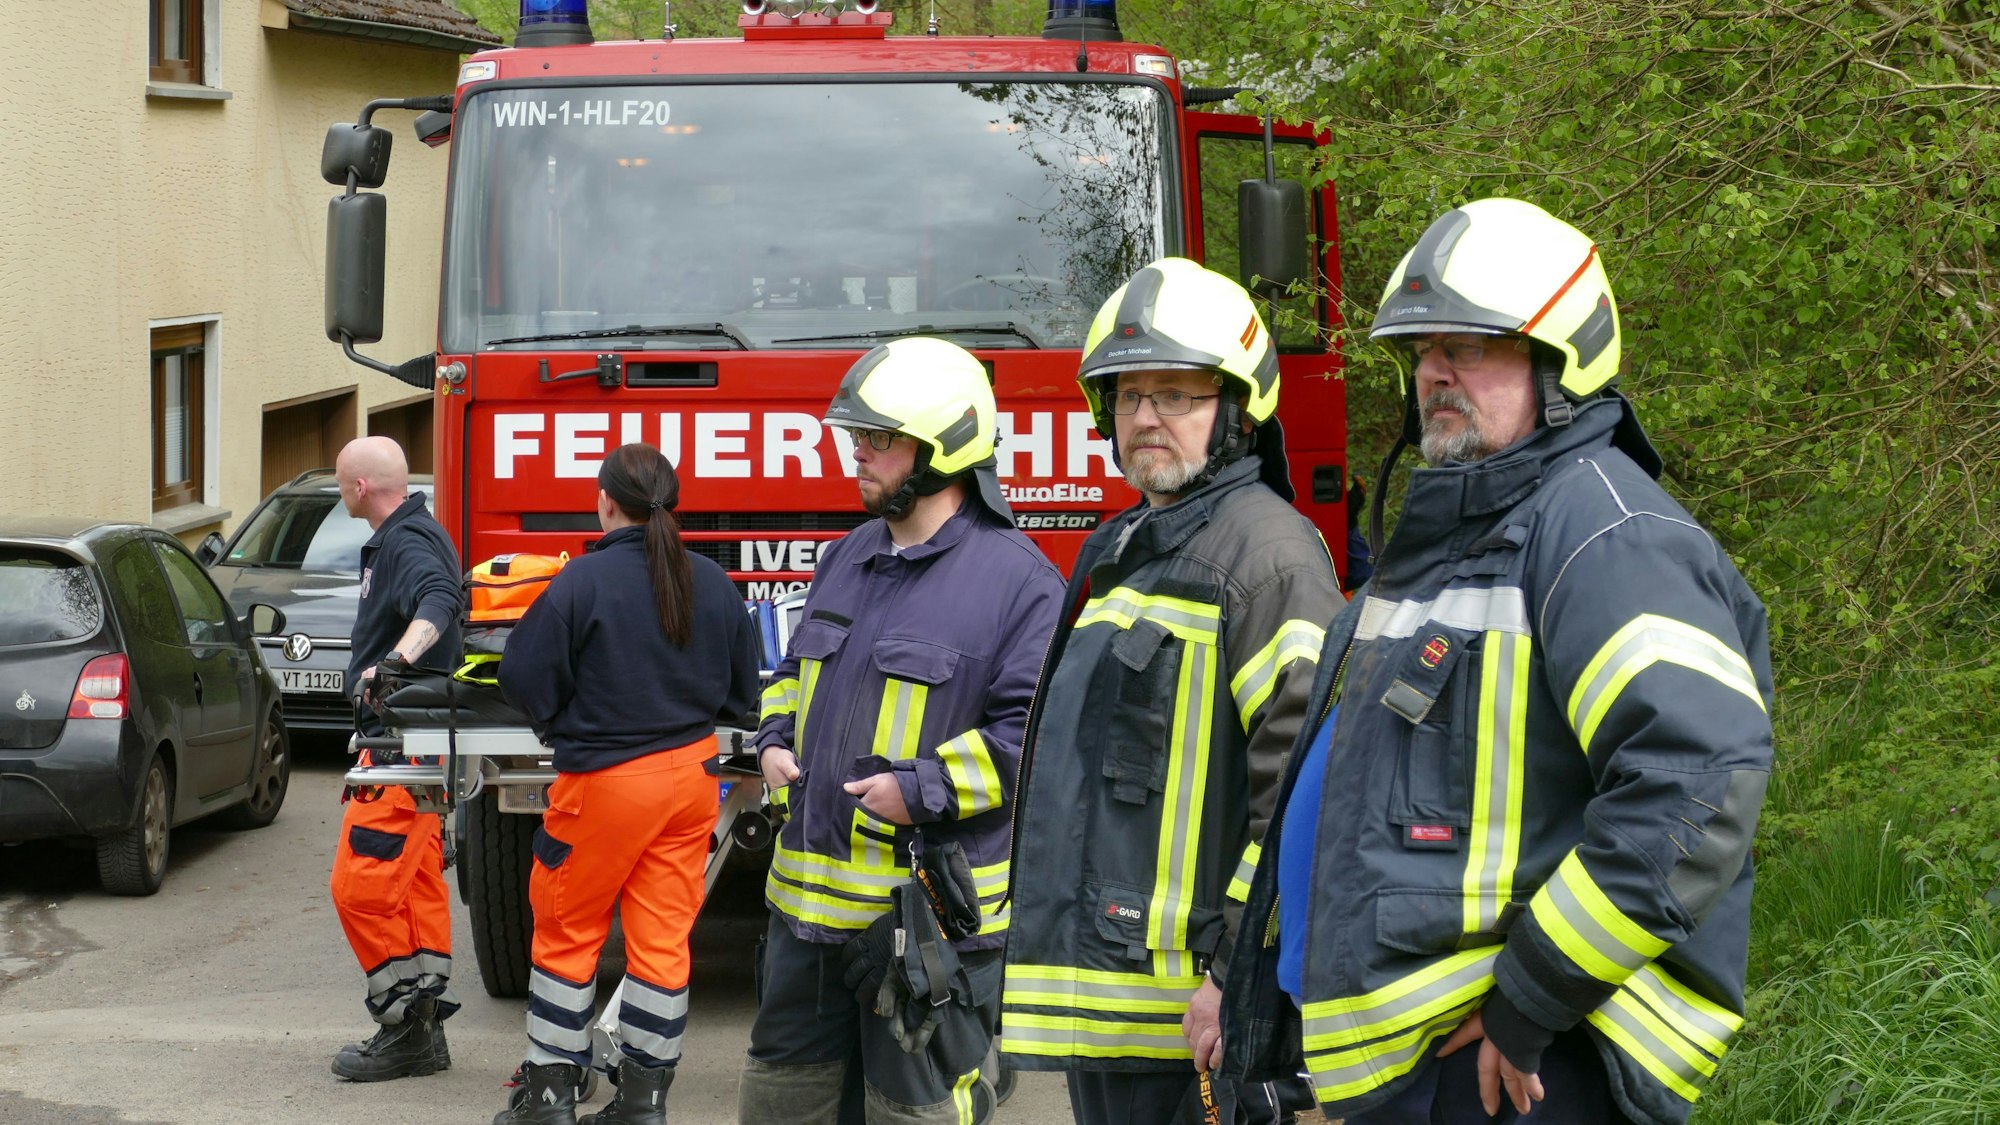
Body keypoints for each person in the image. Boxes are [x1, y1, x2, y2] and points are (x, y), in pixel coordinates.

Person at [1219, 197, 1774, 1125]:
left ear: (1560, 362)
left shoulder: (1604, 532)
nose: (1435, 372)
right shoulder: (1452, 538)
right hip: (1434, 1070)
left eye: (1468, 347)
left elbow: (1697, 782)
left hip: (1533, 1068)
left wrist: (1529, 998)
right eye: (1424, 351)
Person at [1000, 257, 1341, 1124]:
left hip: (1193, 1021)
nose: (1146, 417)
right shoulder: (1117, 549)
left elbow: (1301, 802)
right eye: (1128, 395)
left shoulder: (1271, 560)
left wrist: (1236, 977)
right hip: (1115, 1010)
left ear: (1234, 411)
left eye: (1177, 395)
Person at [736, 338, 1065, 1125]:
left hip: (922, 933)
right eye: (856, 435)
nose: (858, 452)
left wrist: (918, 790)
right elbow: (790, 670)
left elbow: (1035, 742)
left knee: (908, 1117)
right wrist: (775, 734)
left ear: (944, 444)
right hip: (802, 926)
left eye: (878, 437)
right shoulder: (846, 556)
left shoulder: (1022, 583)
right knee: (782, 1109)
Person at [489, 443, 762, 1125]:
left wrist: (561, 722)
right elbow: (743, 691)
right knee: (663, 941)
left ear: (605, 501)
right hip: (694, 775)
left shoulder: (579, 581)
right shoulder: (711, 580)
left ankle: (550, 1096)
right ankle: (643, 1101)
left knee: (567, 932)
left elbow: (520, 677)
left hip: (607, 781)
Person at [327, 435, 466, 1081]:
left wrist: (396, 661)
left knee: (359, 887)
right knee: (413, 889)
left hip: (399, 748)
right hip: (411, 748)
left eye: (340, 481)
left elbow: (439, 599)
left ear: (359, 488)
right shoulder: (415, 532)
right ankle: (423, 1031)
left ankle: (403, 1023)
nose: (340, 490)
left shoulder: (408, 544)